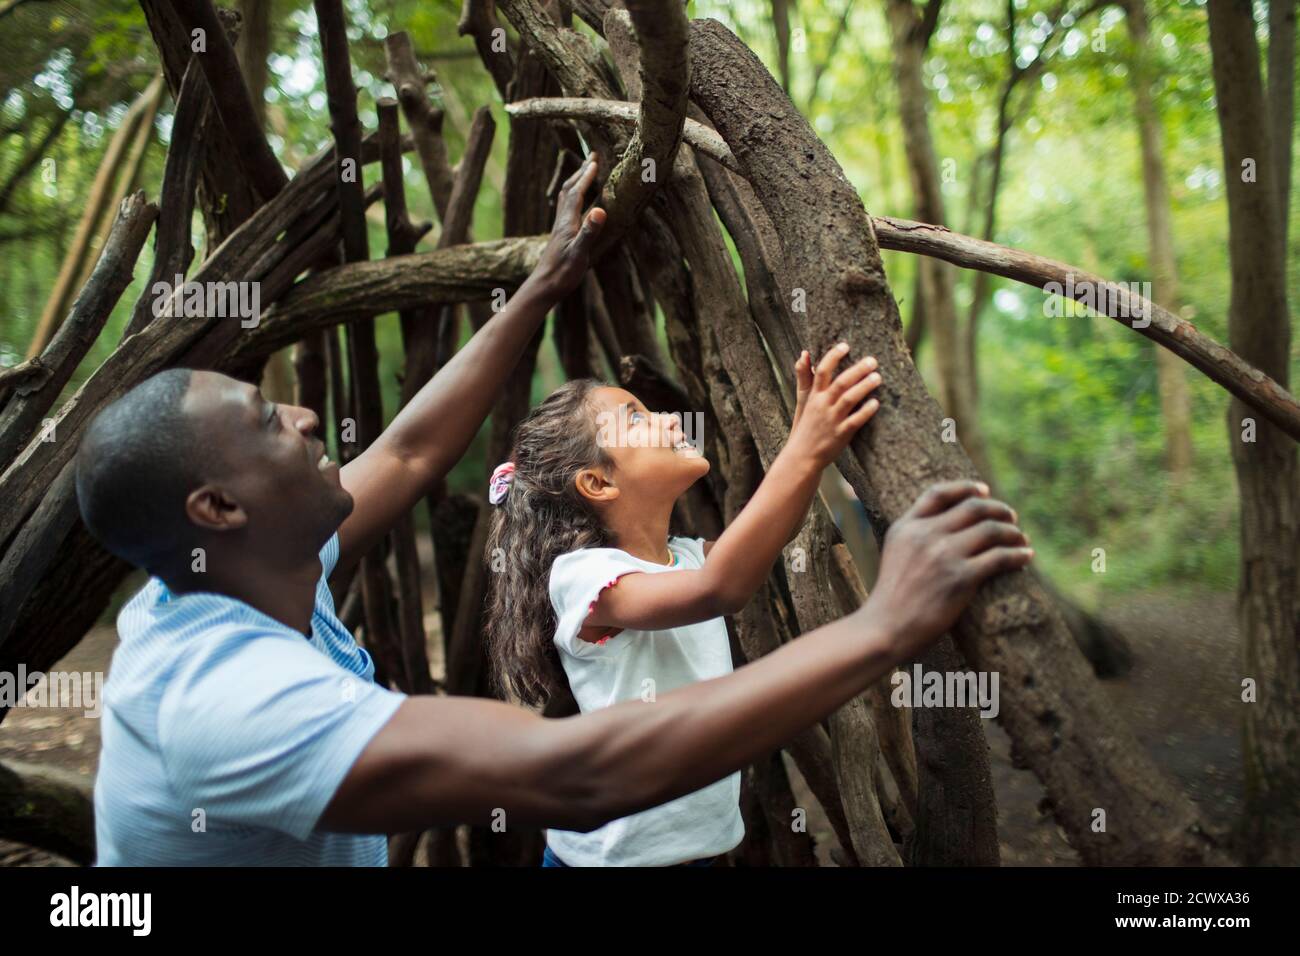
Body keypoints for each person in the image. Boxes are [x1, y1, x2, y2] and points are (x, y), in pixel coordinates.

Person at [75, 153, 1032, 866]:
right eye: (262, 419)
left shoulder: (259, 566)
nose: (303, 412)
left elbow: (409, 449)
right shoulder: (223, 700)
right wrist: (885, 626)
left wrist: (543, 278)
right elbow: (574, 778)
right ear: (218, 506)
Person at [484, 344, 886, 866]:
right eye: (637, 417)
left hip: (696, 852)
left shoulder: (687, 557)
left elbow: (767, 538)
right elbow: (722, 588)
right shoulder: (583, 578)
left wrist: (813, 437)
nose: (672, 419)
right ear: (597, 482)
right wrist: (806, 447)